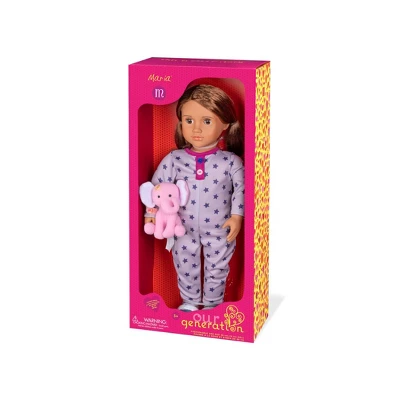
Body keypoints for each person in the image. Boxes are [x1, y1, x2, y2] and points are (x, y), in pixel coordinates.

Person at [144, 84, 244, 311]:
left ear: (225, 124)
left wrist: (237, 216)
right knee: (184, 263)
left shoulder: (230, 162)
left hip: (220, 227)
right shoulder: (175, 158)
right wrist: (151, 214)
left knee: (218, 265)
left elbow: (241, 190)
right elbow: (156, 189)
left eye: (207, 121)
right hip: (182, 226)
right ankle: (189, 302)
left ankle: (212, 304)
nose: (196, 128)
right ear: (181, 122)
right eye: (189, 120)